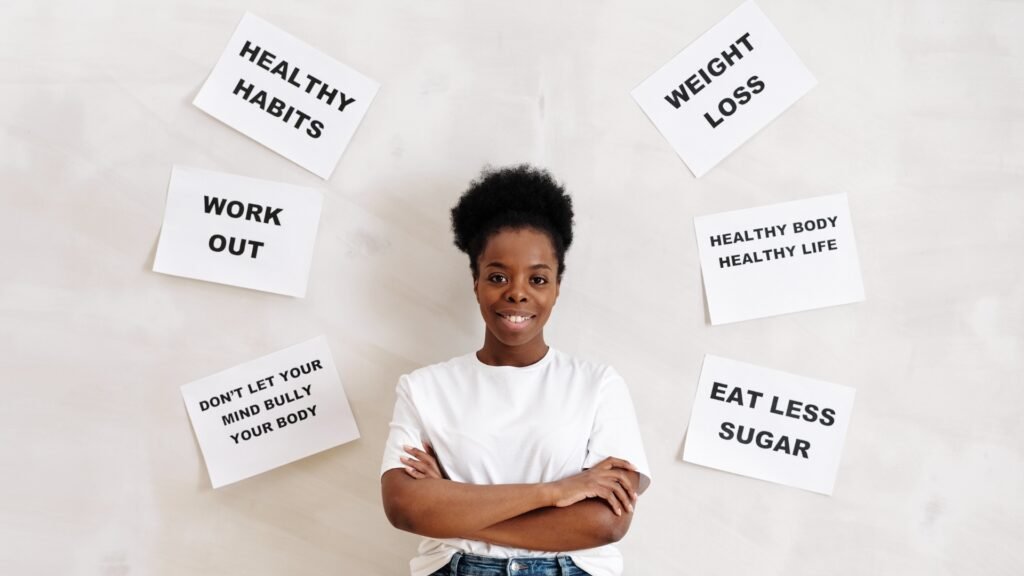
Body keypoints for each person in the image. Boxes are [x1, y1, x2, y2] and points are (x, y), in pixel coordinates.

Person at [380, 165, 651, 576]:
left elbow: (604, 522)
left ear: (557, 287)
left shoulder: (598, 386)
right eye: (497, 276)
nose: (517, 292)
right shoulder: (424, 389)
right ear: (475, 282)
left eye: (538, 279)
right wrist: (556, 491)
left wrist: (453, 504)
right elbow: (405, 508)